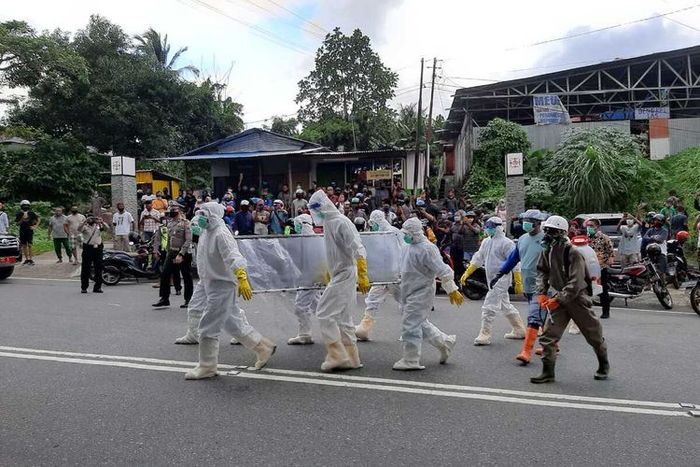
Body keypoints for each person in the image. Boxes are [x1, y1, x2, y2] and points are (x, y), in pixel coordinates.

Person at [185, 202, 276, 380]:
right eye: (198, 212)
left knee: (208, 326)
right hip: (207, 282)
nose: (199, 216)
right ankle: (263, 347)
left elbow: (234, 256)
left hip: (221, 285)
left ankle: (207, 366)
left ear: (213, 215)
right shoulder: (207, 231)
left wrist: (241, 276)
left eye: (203, 213)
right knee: (232, 323)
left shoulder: (221, 233)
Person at [530, 215, 609, 384]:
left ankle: (603, 364)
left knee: (593, 334)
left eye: (552, 231)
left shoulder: (573, 252)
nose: (548, 234)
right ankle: (548, 372)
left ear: (561, 232)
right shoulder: (548, 250)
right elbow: (542, 271)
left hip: (577, 299)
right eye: (547, 230)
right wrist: (542, 292)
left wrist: (558, 299)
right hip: (558, 297)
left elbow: (576, 282)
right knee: (548, 336)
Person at [308, 189, 370, 372]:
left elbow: (358, 247)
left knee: (324, 313)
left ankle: (337, 355)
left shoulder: (341, 222)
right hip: (339, 273)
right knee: (344, 318)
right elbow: (334, 252)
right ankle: (352, 357)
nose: (315, 214)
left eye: (316, 209)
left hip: (345, 273)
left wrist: (363, 272)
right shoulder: (329, 223)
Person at [393, 217, 463, 370]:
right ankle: (445, 343)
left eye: (408, 233)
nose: (405, 235)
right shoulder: (406, 246)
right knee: (420, 323)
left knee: (410, 325)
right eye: (404, 232)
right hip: (408, 290)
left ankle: (410, 359)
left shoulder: (427, 248)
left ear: (417, 232)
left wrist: (451, 289)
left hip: (422, 291)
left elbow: (443, 269)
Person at [461, 216, 526, 345]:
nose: (487, 229)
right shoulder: (486, 242)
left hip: (501, 279)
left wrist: (518, 280)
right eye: (487, 226)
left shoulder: (507, 243)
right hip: (490, 278)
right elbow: (479, 257)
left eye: (490, 227)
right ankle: (519, 329)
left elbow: (515, 262)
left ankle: (485, 334)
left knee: (489, 306)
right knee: (505, 305)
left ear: (498, 227)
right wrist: (468, 271)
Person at [492, 209, 546, 365]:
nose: (525, 223)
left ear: (538, 223)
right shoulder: (522, 239)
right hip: (528, 283)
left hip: (543, 284)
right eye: (524, 220)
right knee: (542, 316)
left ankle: (526, 351)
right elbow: (513, 258)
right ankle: (551, 345)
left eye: (529, 221)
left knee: (535, 315)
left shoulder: (546, 239)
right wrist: (500, 273)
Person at [355, 210, 403, 342]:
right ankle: (363, 329)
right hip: (383, 275)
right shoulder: (378, 234)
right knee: (372, 300)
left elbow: (400, 253)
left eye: (372, 223)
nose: (371, 226)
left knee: (404, 302)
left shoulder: (391, 233)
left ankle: (413, 330)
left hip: (395, 276)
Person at [287, 213, 321, 345]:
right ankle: (338, 329)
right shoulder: (307, 239)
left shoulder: (308, 240)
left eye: (297, 224)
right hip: (310, 278)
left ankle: (305, 334)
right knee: (319, 306)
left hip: (310, 279)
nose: (295, 227)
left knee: (300, 306)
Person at [153, 204, 193, 309]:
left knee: (186, 276)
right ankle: (164, 298)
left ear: (179, 210)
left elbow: (188, 239)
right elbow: (164, 238)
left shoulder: (186, 223)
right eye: (171, 209)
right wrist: (158, 250)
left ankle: (188, 300)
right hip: (171, 252)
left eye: (174, 209)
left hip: (183, 253)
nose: (172, 211)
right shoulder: (169, 224)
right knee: (165, 274)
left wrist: (181, 254)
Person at [584, 218, 614, 319]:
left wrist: (609, 259)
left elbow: (610, 251)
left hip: (601, 267)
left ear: (597, 226)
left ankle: (606, 311)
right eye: (588, 226)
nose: (589, 228)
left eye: (591, 226)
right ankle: (587, 312)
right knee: (587, 289)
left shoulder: (604, 237)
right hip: (587, 267)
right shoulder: (585, 238)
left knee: (602, 290)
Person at [79, 215, 106, 294]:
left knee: (98, 267)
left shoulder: (98, 226)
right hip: (88, 248)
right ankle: (84, 287)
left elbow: (108, 229)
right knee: (86, 267)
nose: (91, 220)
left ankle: (97, 287)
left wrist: (102, 222)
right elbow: (79, 229)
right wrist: (84, 222)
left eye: (93, 218)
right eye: (89, 218)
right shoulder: (85, 227)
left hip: (98, 248)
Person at [643, 214, 669, 278]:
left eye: (658, 220)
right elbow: (645, 237)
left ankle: (663, 284)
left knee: (662, 270)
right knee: (649, 269)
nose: (656, 222)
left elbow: (661, 239)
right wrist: (654, 238)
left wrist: (651, 238)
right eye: (655, 220)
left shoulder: (664, 231)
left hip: (661, 252)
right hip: (650, 251)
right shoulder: (650, 230)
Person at [15, 200, 40, 265]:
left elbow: (38, 219)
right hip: (22, 231)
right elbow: (17, 223)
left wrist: (35, 226)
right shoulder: (19, 214)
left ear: (29, 206)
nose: (25, 207)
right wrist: (21, 219)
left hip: (29, 230)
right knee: (24, 245)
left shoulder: (31, 213)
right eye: (24, 205)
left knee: (30, 245)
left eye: (26, 205)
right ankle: (26, 259)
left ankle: (31, 259)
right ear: (21, 206)